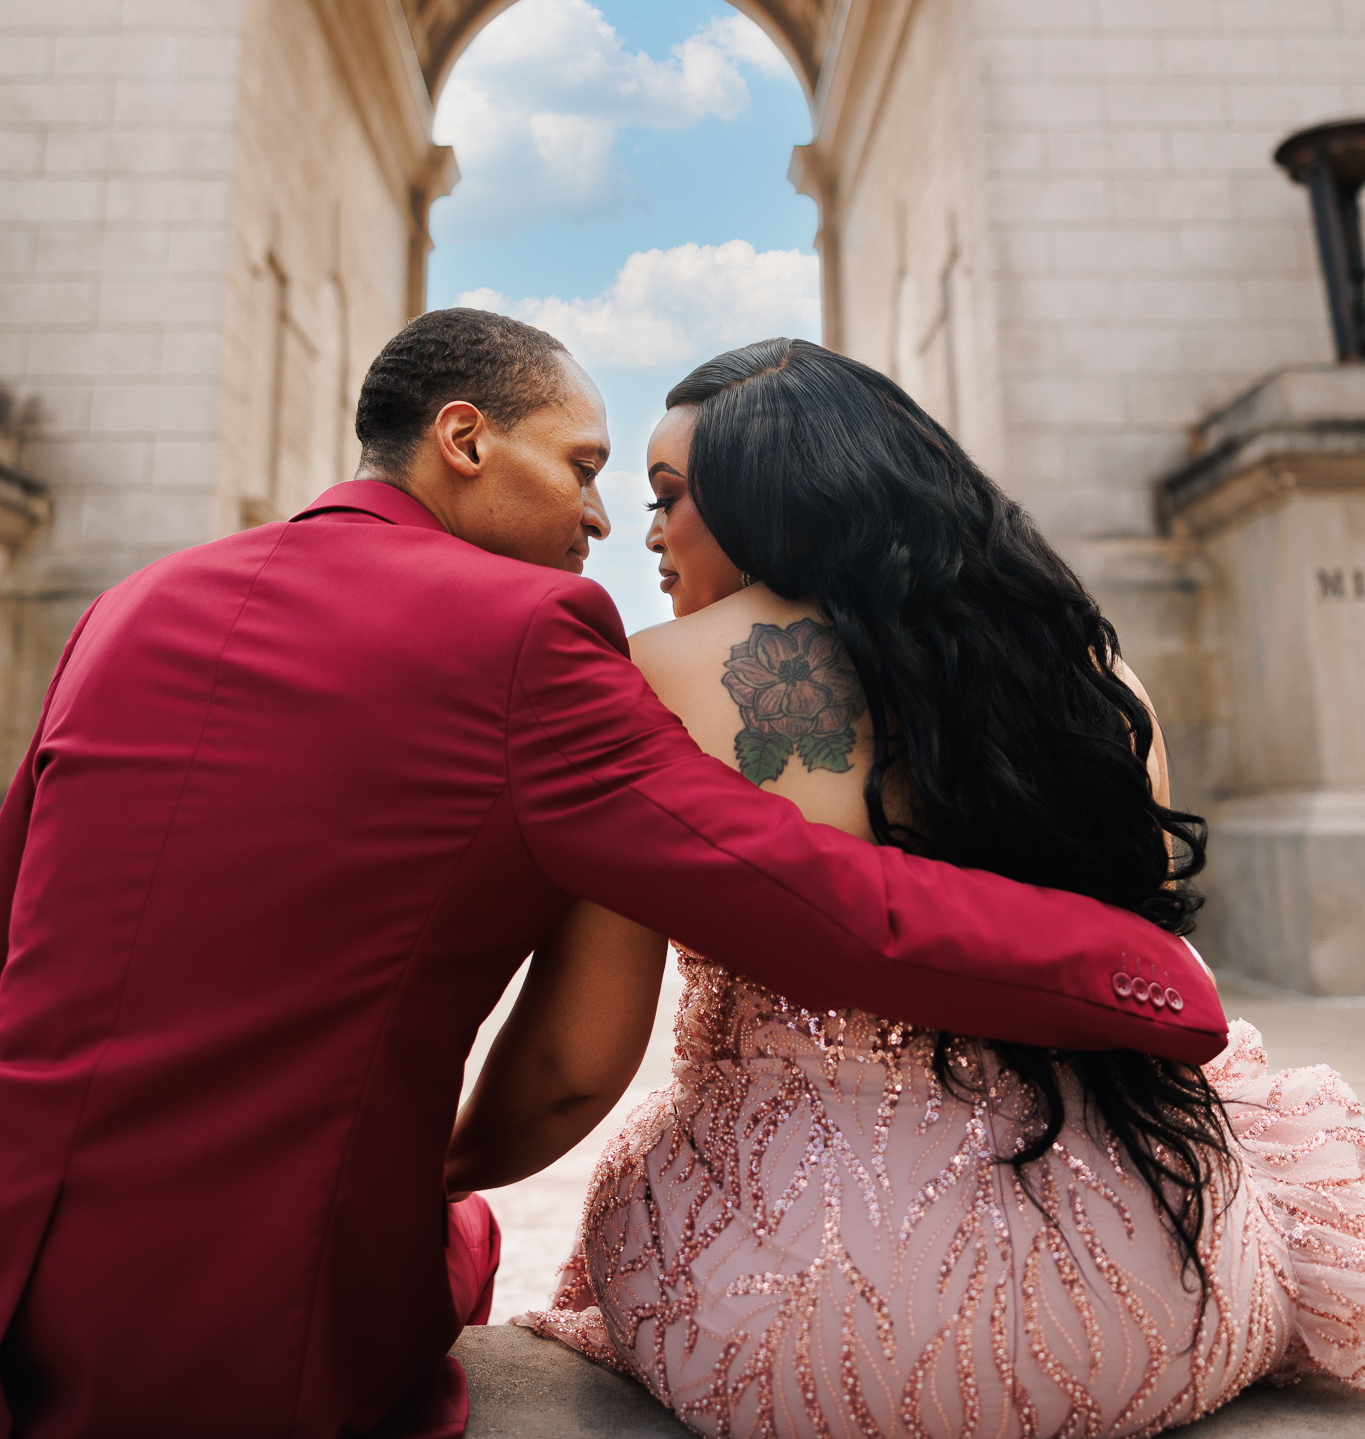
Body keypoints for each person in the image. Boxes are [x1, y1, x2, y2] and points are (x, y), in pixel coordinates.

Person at [0, 313, 1223, 1439]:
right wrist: (1143, 967)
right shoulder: (526, 636)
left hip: (21, 1274)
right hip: (253, 1342)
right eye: (585, 468)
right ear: (464, 440)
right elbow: (816, 901)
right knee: (459, 1232)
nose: (602, 522)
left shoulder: (128, 605)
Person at [449, 339, 1365, 1435]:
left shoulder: (653, 680)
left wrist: (437, 1173)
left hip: (796, 1322)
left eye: (668, 495)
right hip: (1159, 1293)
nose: (646, 533)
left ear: (764, 497)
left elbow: (571, 1067)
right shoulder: (1089, 675)